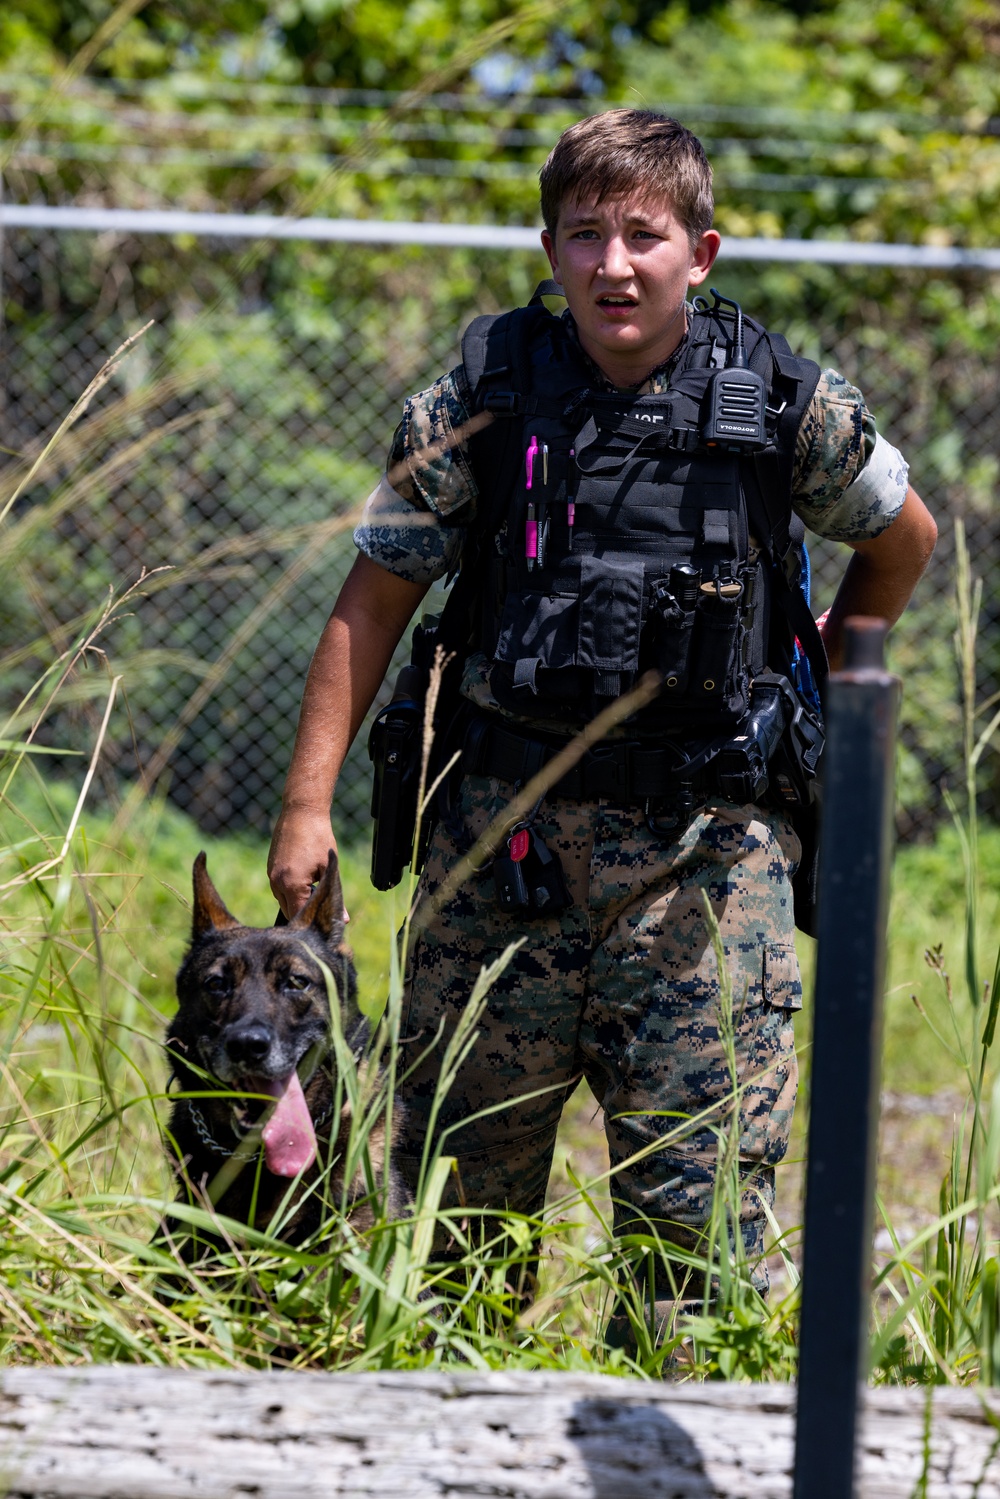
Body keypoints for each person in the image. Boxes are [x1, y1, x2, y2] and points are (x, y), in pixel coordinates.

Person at [268, 110, 937, 1335]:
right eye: (586, 234)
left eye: (644, 233)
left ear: (703, 251)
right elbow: (372, 597)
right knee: (448, 1238)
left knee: (697, 1262)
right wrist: (306, 803)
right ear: (550, 247)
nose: (613, 263)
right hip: (498, 859)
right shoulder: (479, 397)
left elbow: (905, 537)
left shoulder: (787, 402)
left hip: (704, 867)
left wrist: (832, 675)